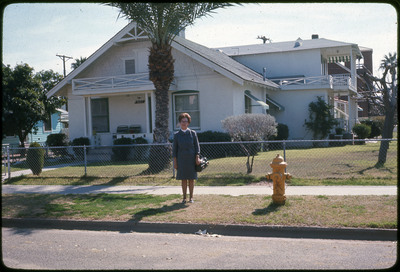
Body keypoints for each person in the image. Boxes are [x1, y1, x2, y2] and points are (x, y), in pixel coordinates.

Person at [173, 113, 201, 204]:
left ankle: (191, 197)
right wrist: (175, 162)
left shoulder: (193, 133)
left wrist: (197, 157)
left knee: (191, 179)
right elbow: (174, 150)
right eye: (182, 121)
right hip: (181, 160)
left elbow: (197, 147)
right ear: (179, 123)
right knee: (183, 179)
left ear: (188, 123)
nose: (184, 123)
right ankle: (184, 197)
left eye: (186, 121)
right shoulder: (177, 135)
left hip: (191, 159)